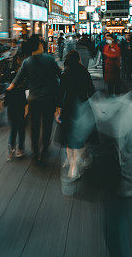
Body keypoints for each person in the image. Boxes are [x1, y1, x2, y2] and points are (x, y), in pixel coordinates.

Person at [9, 34, 61, 162]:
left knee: (34, 125)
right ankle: (45, 148)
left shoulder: (27, 61)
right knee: (48, 124)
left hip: (33, 99)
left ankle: (35, 150)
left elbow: (17, 79)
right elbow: (60, 74)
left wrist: (10, 87)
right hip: (49, 98)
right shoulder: (50, 59)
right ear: (39, 46)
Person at [56, 50, 96, 179]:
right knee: (81, 136)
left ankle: (71, 164)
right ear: (78, 59)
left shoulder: (65, 72)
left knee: (68, 136)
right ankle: (76, 165)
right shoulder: (84, 71)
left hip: (68, 107)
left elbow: (60, 92)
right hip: (83, 105)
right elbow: (91, 90)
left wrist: (58, 109)